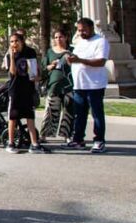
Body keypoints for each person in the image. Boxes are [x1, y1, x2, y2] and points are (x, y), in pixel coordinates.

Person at [62, 17, 110, 154]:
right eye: (79, 30)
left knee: (97, 114)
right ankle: (78, 140)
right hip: (79, 85)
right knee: (79, 114)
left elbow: (101, 62)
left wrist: (79, 60)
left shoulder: (101, 41)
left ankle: (99, 141)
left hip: (94, 85)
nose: (81, 33)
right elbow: (75, 61)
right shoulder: (79, 43)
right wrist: (70, 60)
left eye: (83, 30)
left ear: (91, 28)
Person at [4, 32, 48, 154]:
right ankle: (11, 143)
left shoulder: (30, 52)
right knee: (13, 116)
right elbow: (12, 72)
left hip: (28, 88)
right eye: (11, 42)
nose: (14, 44)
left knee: (30, 116)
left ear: (22, 41)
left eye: (16, 41)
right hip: (15, 89)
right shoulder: (10, 55)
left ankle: (34, 143)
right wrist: (12, 57)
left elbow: (34, 67)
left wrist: (37, 76)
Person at [40, 28, 73, 140]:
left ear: (66, 37)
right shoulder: (50, 52)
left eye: (61, 37)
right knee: (50, 111)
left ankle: (67, 135)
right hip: (53, 86)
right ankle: (44, 135)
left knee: (69, 111)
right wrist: (50, 66)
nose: (58, 39)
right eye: (56, 37)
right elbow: (43, 68)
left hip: (69, 85)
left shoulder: (72, 50)